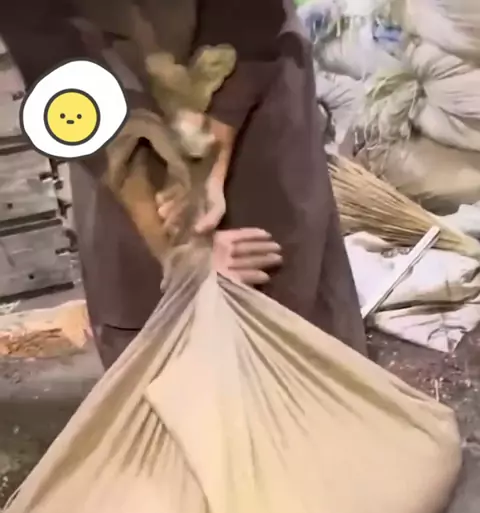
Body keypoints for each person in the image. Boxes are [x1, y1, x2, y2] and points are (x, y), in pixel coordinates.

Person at [0, 0, 367, 368]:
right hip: (103, 79)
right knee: (153, 305)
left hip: (249, 62)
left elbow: (249, 17)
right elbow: (53, 55)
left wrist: (212, 156)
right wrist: (177, 249)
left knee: (283, 305)